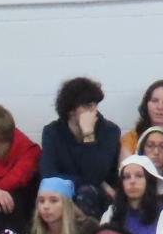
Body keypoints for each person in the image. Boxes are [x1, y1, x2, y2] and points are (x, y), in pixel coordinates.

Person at [38, 76, 121, 212]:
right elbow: (49, 175)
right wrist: (101, 184)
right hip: (62, 193)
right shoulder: (52, 132)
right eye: (87, 106)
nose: (94, 111)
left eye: (95, 105)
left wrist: (88, 134)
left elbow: (94, 176)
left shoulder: (109, 131)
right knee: (50, 195)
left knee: (86, 192)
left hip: (98, 196)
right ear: (71, 110)